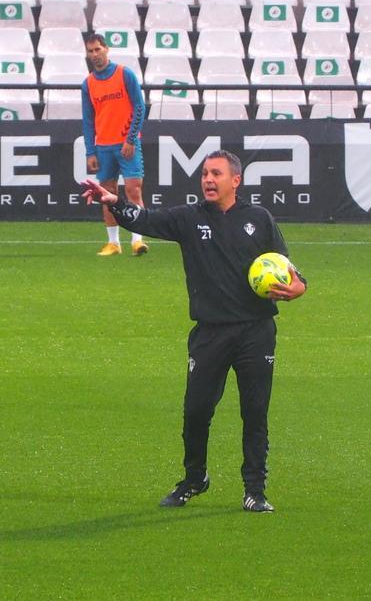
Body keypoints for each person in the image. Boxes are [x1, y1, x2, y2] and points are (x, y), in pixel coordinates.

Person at [80, 150, 308, 512]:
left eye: (216, 173)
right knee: (197, 411)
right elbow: (146, 219)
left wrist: (299, 288)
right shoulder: (189, 218)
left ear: (235, 180)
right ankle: (194, 479)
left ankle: (255, 490)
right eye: (204, 173)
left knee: (255, 411)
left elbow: (290, 272)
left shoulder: (259, 219)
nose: (207, 179)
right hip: (210, 334)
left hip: (256, 332)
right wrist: (114, 201)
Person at [82, 33, 148, 257]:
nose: (94, 55)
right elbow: (88, 119)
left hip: (126, 143)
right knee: (107, 192)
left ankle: (138, 240)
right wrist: (90, 151)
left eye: (97, 49)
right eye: (90, 51)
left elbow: (139, 107)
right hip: (103, 146)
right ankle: (113, 243)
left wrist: (130, 139)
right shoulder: (88, 84)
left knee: (133, 189)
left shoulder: (124, 74)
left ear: (106, 49)